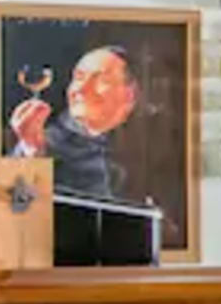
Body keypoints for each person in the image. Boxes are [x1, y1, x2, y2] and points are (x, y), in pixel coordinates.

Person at [9, 43, 138, 201]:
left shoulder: (149, 141)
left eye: (101, 79)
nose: (81, 88)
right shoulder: (49, 142)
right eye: (79, 78)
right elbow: (11, 203)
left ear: (129, 94)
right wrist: (31, 148)